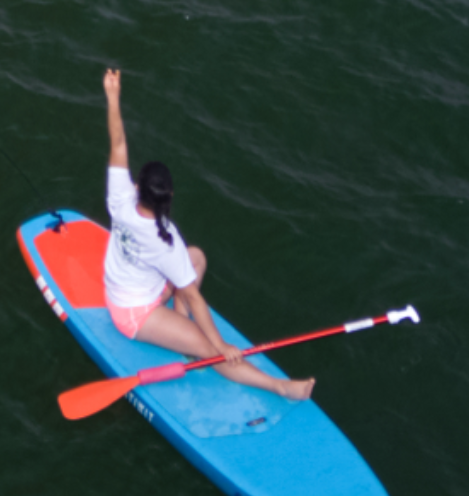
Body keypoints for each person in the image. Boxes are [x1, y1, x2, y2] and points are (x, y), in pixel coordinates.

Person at [99, 69, 315, 400]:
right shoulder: (164, 238)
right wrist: (220, 345)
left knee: (197, 257)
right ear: (169, 196)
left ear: (138, 186)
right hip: (133, 313)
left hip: (143, 287)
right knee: (205, 347)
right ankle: (280, 387)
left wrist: (112, 96)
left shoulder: (120, 197)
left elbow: (117, 141)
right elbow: (196, 299)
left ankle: (176, 319)